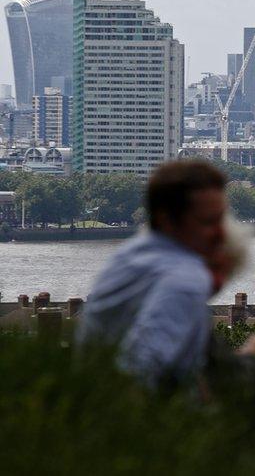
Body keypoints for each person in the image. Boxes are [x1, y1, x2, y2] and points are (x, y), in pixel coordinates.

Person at [77, 160, 227, 389]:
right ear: (167, 221)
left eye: (221, 219)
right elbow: (140, 374)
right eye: (208, 222)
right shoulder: (186, 278)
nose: (221, 233)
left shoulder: (129, 255)